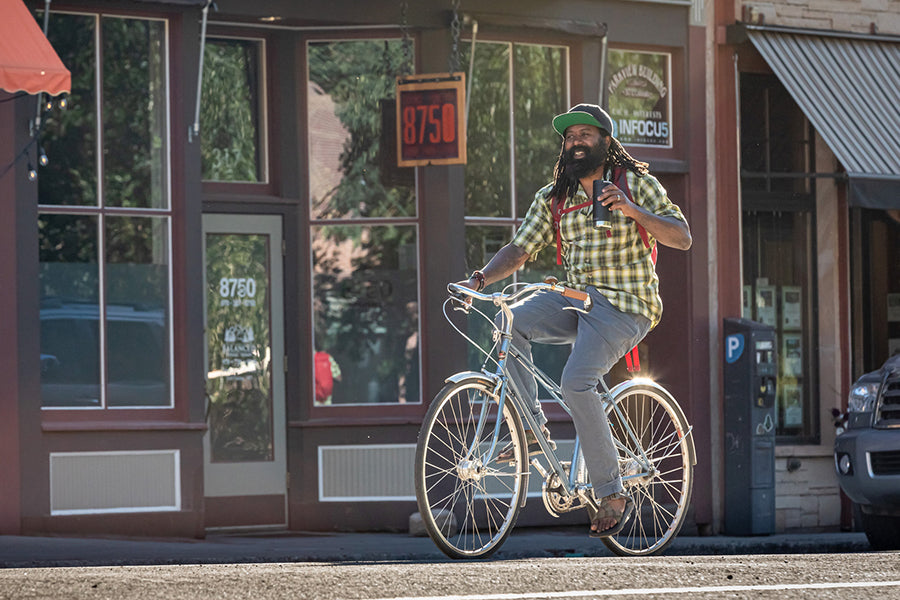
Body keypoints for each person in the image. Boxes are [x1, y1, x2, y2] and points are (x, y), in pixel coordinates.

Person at [458, 103, 691, 537]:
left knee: (575, 381)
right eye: (569, 137)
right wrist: (480, 279)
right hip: (577, 301)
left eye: (585, 134)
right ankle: (529, 430)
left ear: (606, 141)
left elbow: (682, 237)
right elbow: (520, 248)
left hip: (627, 306)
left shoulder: (636, 184)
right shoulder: (554, 198)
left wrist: (632, 210)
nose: (576, 142)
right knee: (510, 321)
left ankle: (611, 490)